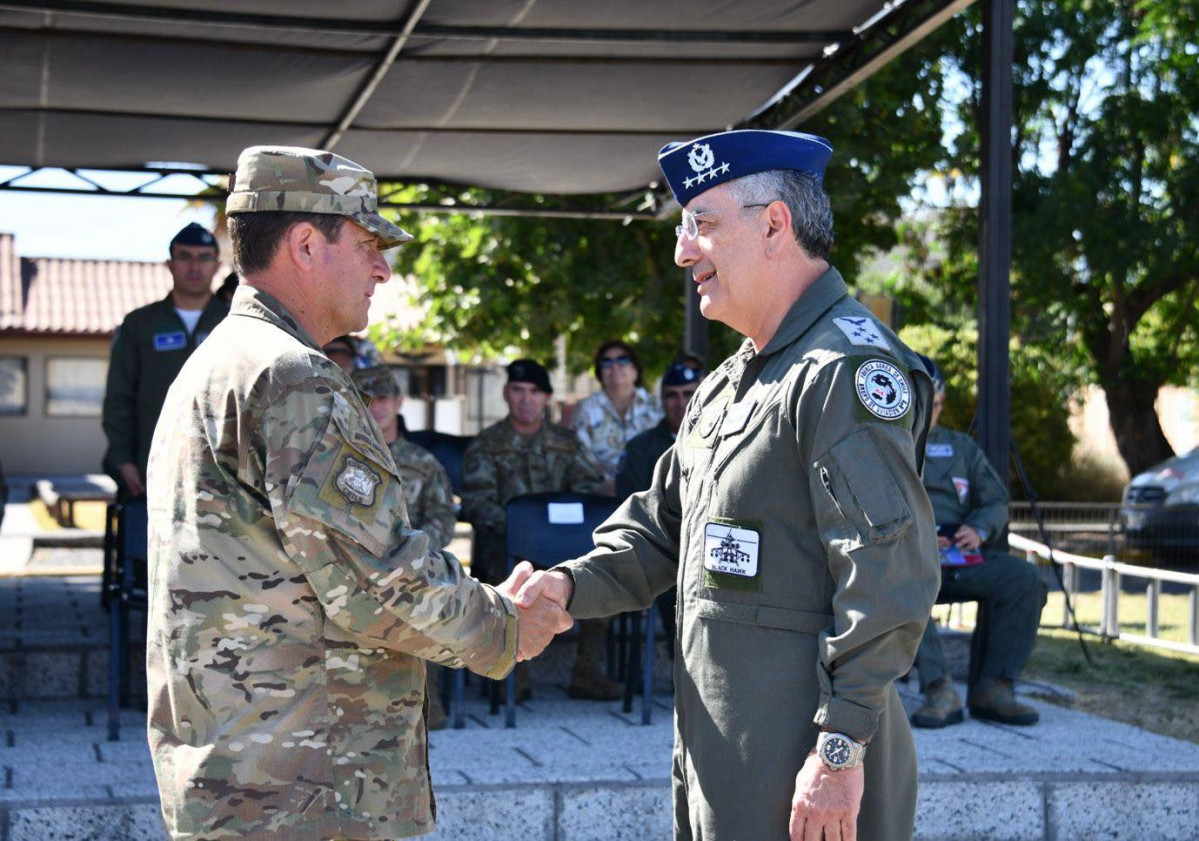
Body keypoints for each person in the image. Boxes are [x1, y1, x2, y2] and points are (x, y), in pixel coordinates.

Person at [515, 129, 941, 840]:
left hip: (805, 757)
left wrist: (839, 751)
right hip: (722, 752)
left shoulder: (840, 372)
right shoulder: (727, 385)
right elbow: (660, 526)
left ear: (774, 223)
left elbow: (886, 575)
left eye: (702, 225)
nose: (683, 251)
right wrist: (565, 587)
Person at [145, 145, 572, 841]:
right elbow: (379, 581)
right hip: (306, 787)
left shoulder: (218, 363)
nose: (383, 268)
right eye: (368, 244)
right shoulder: (292, 377)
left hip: (244, 772)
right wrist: (506, 624)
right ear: (307, 244)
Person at [461, 359, 622, 700]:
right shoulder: (488, 444)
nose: (526, 399)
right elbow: (478, 503)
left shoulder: (567, 443)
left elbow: (589, 493)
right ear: (506, 394)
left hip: (567, 548)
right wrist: (525, 530)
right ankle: (512, 675)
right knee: (504, 575)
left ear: (547, 398)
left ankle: (587, 671)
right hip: (510, 549)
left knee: (598, 573)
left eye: (535, 392)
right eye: (518, 390)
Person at [909, 354, 1047, 728]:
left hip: (961, 553)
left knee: (1025, 579)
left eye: (935, 406)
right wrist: (918, 536)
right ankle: (939, 689)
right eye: (922, 405)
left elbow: (996, 500)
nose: (929, 414)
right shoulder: (884, 444)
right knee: (904, 579)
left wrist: (980, 529)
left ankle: (995, 687)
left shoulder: (961, 449)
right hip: (910, 556)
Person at [352, 363, 458, 730]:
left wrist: (417, 552)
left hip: (414, 563)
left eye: (383, 398)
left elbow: (444, 514)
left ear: (398, 401)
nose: (375, 408)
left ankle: (428, 699)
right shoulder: (341, 458)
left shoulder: (422, 462)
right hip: (356, 562)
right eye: (366, 400)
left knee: (429, 595)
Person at [101, 222, 229, 499]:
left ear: (217, 265)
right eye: (185, 257)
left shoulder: (234, 322)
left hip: (225, 476)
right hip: (152, 470)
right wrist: (123, 460)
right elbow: (118, 398)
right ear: (170, 265)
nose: (195, 267)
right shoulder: (140, 324)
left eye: (204, 257)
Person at [615, 361, 704, 655]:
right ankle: (687, 664)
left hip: (709, 545)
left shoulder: (725, 440)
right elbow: (632, 506)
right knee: (673, 581)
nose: (681, 403)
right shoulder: (641, 448)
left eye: (688, 394)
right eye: (672, 395)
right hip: (664, 549)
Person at [572, 340, 663, 496]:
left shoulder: (656, 406)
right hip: (600, 496)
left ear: (635, 370)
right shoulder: (585, 409)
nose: (615, 366)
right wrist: (609, 483)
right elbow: (579, 454)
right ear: (600, 373)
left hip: (651, 494)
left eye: (623, 360)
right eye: (607, 362)